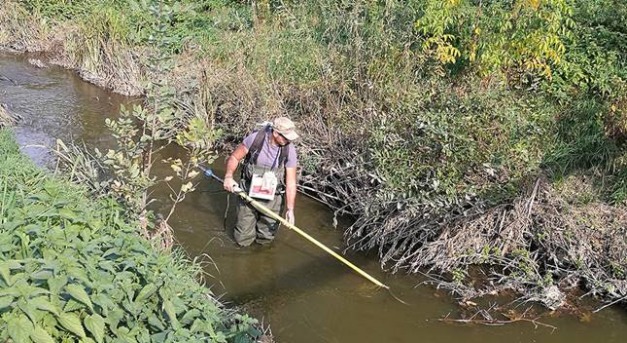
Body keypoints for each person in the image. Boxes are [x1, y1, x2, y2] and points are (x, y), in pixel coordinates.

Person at [223, 117, 299, 246]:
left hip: (273, 199)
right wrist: (228, 177)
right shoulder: (255, 139)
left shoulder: (289, 150)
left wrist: (290, 209)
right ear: (275, 133)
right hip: (247, 194)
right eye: (286, 138)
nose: (288, 141)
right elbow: (234, 158)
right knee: (242, 238)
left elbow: (291, 182)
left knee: (266, 238)